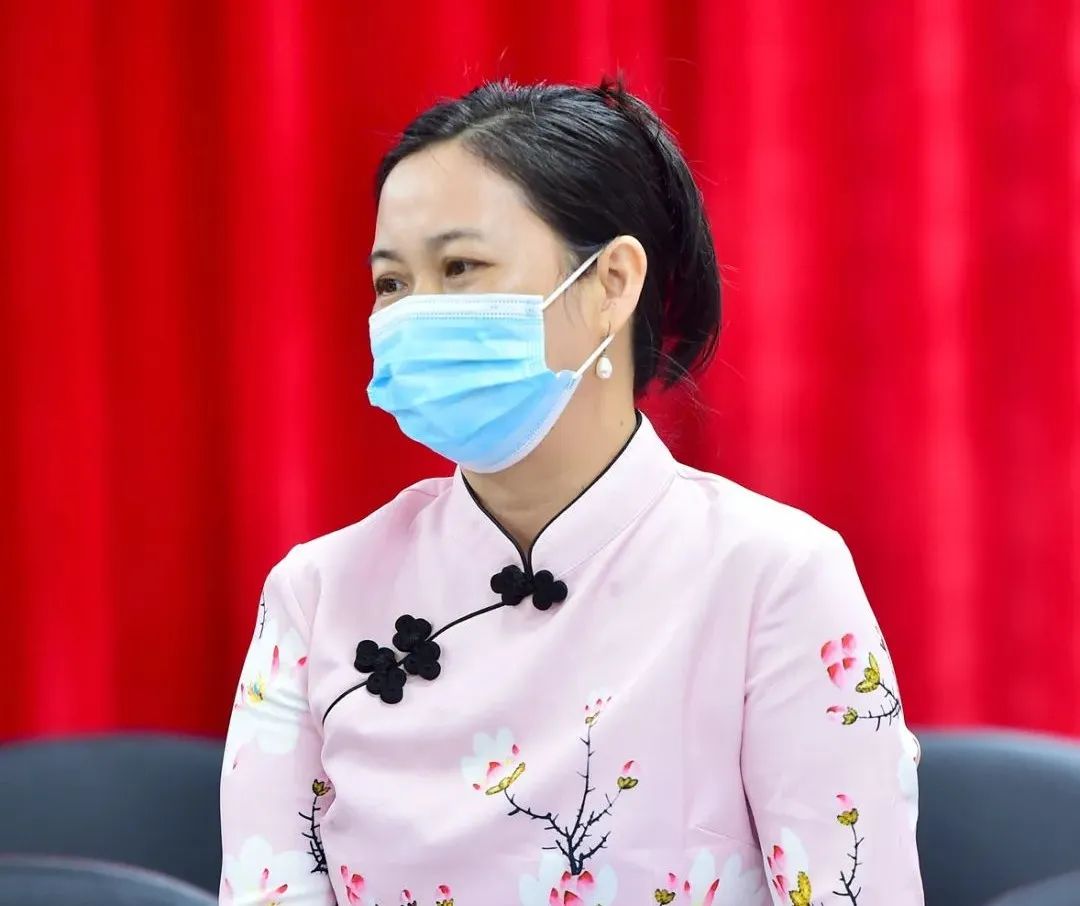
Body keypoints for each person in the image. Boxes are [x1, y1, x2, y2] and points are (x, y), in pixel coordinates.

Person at [219, 77, 924, 905]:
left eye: (459, 267)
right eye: (391, 284)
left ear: (611, 283)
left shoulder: (772, 578)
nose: (412, 316)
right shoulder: (317, 594)